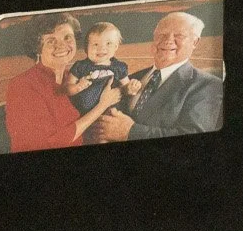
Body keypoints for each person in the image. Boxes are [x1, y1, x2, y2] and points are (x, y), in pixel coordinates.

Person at [96, 10, 223, 142]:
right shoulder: (131, 78)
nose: (168, 40)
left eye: (179, 35)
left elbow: (195, 135)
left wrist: (131, 132)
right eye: (162, 34)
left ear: (195, 42)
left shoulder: (209, 85)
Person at [3, 14, 123, 153]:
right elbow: (48, 143)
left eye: (67, 37)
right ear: (38, 48)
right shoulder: (22, 85)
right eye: (51, 41)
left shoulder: (74, 78)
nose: (61, 45)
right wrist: (102, 105)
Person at [66, 21, 130, 143]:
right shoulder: (81, 67)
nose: (101, 48)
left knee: (104, 136)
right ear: (86, 48)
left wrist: (132, 87)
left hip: (110, 113)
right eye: (95, 44)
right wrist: (78, 86)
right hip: (84, 114)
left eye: (108, 43)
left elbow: (127, 87)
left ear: (116, 46)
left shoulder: (118, 67)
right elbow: (67, 88)